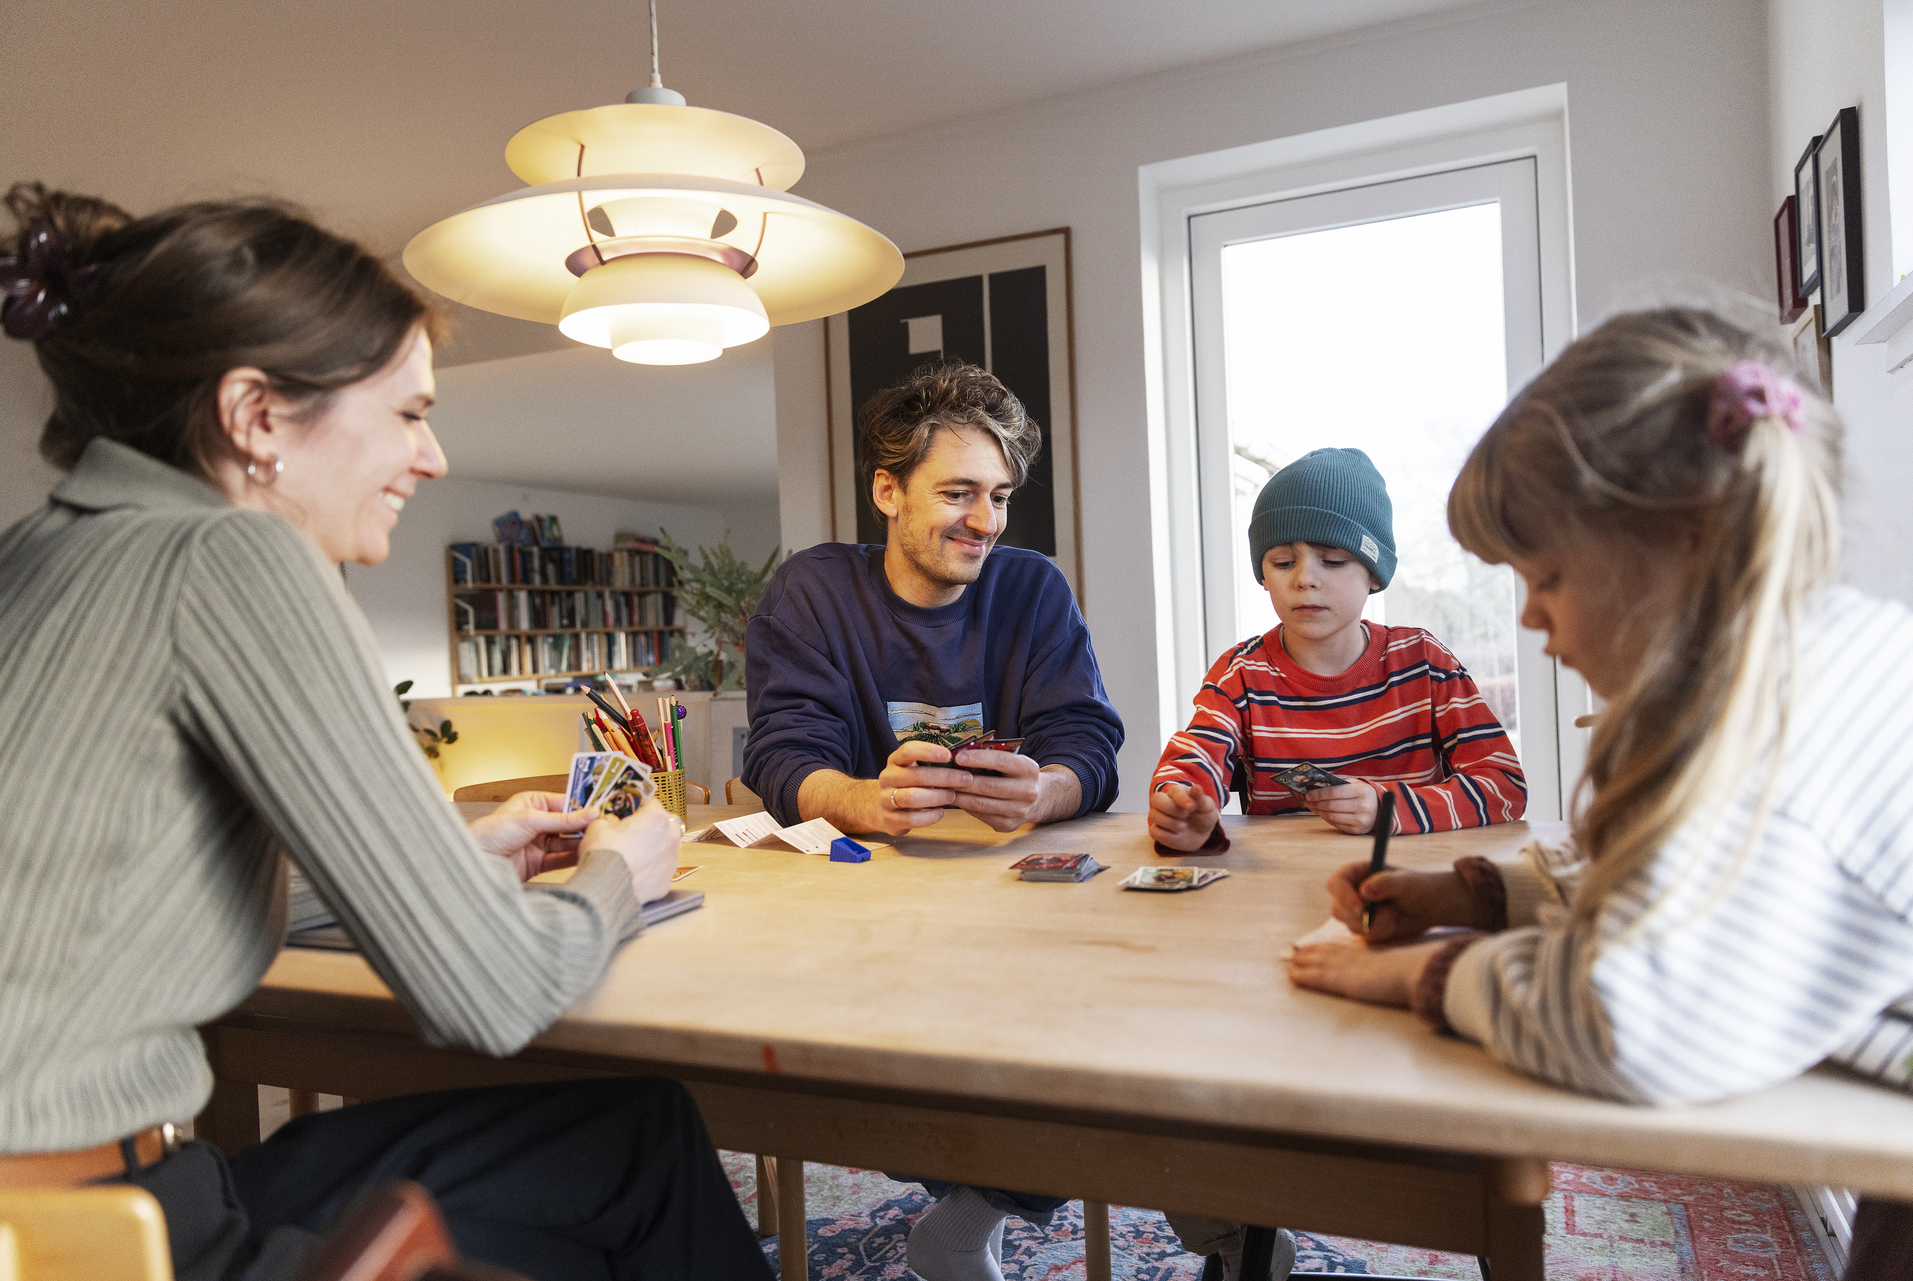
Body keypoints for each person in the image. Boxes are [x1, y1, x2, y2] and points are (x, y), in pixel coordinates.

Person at [0, 183, 772, 1281]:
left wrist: (453, 860)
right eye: (408, 412)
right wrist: (618, 873)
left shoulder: (32, 556)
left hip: (72, 1202)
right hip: (89, 1237)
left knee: (628, 1142)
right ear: (256, 416)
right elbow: (493, 992)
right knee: (632, 1153)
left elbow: (108, 899)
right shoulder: (232, 559)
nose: (433, 458)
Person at [1286, 307, 1913, 1281]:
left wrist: (1430, 980)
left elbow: (1627, 1029)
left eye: (1546, 575)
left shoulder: (1776, 753)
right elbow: (1674, 866)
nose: (1530, 613)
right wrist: (1481, 896)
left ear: (1688, 541)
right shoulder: (1812, 656)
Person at [741, 361, 1124, 1280]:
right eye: (957, 492)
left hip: (1021, 914)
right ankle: (972, 1191)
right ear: (887, 490)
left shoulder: (1031, 588)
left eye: (997, 496)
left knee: (1093, 1041)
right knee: (875, 1048)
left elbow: (1089, 742)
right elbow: (782, 755)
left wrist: (1049, 790)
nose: (985, 521)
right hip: (871, 913)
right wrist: (861, 798)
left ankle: (978, 1203)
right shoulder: (814, 591)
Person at [1150, 447, 1525, 855]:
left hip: (1413, 881)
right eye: (1282, 562)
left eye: (1331, 560)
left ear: (1375, 577)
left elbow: (1504, 785)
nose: (1305, 579)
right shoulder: (1239, 673)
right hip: (1281, 892)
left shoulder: (1423, 661)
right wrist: (1183, 807)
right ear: (1263, 576)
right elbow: (1193, 761)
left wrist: (1389, 809)